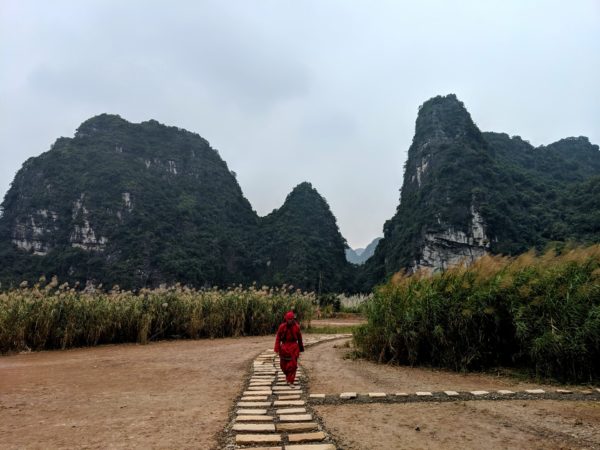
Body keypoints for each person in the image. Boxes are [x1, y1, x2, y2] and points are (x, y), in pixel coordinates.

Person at [274, 310, 304, 387]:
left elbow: (299, 338)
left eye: (292, 319)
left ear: (293, 319)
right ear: (286, 319)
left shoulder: (296, 327)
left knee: (293, 365)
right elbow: (278, 338)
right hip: (284, 348)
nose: (290, 321)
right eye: (289, 319)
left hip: (294, 348)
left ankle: (290, 381)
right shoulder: (282, 327)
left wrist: (301, 348)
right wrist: (276, 348)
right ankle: (288, 376)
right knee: (283, 366)